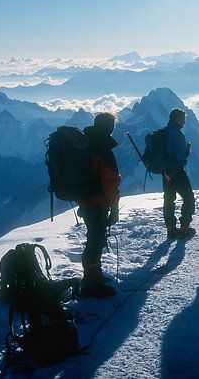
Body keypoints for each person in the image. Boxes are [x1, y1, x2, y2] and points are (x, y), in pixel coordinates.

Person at [78, 112, 121, 299]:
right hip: (98, 202)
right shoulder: (103, 148)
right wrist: (115, 207)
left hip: (86, 201)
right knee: (95, 241)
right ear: (109, 128)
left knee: (94, 239)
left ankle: (94, 276)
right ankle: (90, 284)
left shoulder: (86, 144)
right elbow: (110, 181)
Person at [163, 108, 196, 239]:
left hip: (165, 172)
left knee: (169, 199)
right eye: (183, 119)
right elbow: (181, 155)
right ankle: (184, 228)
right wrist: (187, 149)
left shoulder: (163, 132)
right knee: (188, 198)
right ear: (177, 119)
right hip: (177, 171)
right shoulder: (177, 134)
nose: (184, 122)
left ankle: (170, 229)